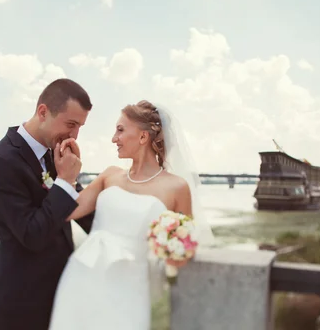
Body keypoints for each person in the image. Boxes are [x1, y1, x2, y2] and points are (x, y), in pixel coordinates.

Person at [48, 100, 214, 329]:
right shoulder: (109, 175)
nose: (114, 138)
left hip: (129, 288)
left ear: (143, 137)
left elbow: (185, 247)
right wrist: (67, 175)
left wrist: (171, 250)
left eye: (120, 130)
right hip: (82, 276)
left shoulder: (177, 187)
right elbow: (67, 211)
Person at [0, 79, 96, 330]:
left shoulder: (55, 154)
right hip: (24, 302)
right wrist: (66, 180)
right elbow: (31, 234)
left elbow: (84, 214)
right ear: (43, 112)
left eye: (80, 126)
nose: (74, 135)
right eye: (71, 124)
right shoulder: (1, 161)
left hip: (63, 295)